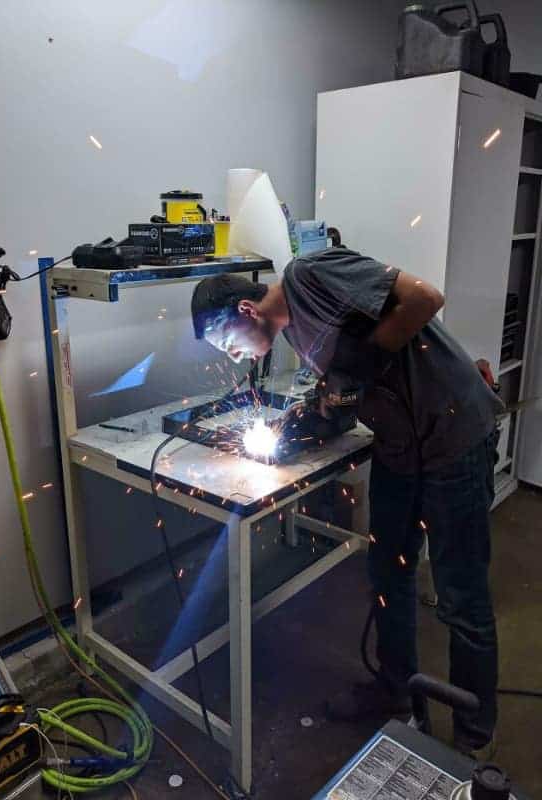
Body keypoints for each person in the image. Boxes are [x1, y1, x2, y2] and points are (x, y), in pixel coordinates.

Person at [190, 247, 504, 759]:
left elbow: (424, 298)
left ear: (246, 312)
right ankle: (396, 690)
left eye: (228, 344)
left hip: (454, 439)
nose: (234, 357)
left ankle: (472, 734)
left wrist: (359, 365)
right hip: (402, 448)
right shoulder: (293, 333)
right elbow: (346, 389)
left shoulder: (309, 275)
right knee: (388, 573)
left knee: (460, 596)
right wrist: (309, 416)